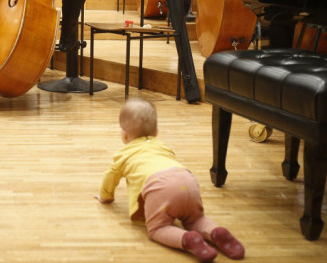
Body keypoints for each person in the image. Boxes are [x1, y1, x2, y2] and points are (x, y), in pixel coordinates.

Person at [94, 98, 245, 263]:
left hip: (159, 186)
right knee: (195, 219)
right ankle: (216, 232)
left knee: (157, 229)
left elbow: (110, 178)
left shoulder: (123, 155)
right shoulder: (163, 146)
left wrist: (105, 197)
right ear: (156, 132)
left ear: (124, 135)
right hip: (186, 179)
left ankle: (187, 239)